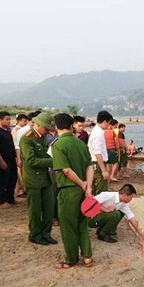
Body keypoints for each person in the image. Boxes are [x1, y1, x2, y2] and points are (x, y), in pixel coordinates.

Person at [51, 113, 94, 269]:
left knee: (68, 226)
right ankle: (87, 256)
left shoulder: (58, 145)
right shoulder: (80, 143)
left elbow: (66, 170)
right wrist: (88, 187)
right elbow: (90, 166)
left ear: (56, 127)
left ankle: (71, 259)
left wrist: (82, 184)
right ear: (71, 126)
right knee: (82, 223)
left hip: (69, 191)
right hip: (83, 191)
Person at [20, 112, 57, 246]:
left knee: (48, 208)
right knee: (35, 210)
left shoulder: (41, 137)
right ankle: (35, 234)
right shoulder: (27, 139)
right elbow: (32, 161)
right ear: (38, 125)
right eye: (46, 128)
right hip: (33, 180)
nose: (48, 132)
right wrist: (53, 162)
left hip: (45, 178)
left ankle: (46, 233)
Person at [0, 111, 17, 208]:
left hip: (11, 159)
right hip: (2, 159)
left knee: (12, 178)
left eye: (9, 119)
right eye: (6, 119)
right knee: (2, 180)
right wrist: (1, 161)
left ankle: (10, 199)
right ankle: (2, 201)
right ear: (0, 120)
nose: (9, 121)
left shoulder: (7, 131)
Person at [87, 110, 113, 195]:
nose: (108, 125)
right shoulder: (97, 134)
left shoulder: (97, 132)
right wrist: (103, 170)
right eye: (108, 123)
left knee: (96, 190)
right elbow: (97, 153)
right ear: (104, 121)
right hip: (98, 165)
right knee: (101, 192)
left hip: (96, 164)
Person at [11, 113, 29, 197]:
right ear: (18, 121)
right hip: (18, 154)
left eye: (26, 121)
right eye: (24, 121)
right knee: (19, 174)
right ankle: (19, 190)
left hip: (21, 154)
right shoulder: (17, 130)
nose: (26, 123)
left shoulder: (22, 129)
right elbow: (16, 144)